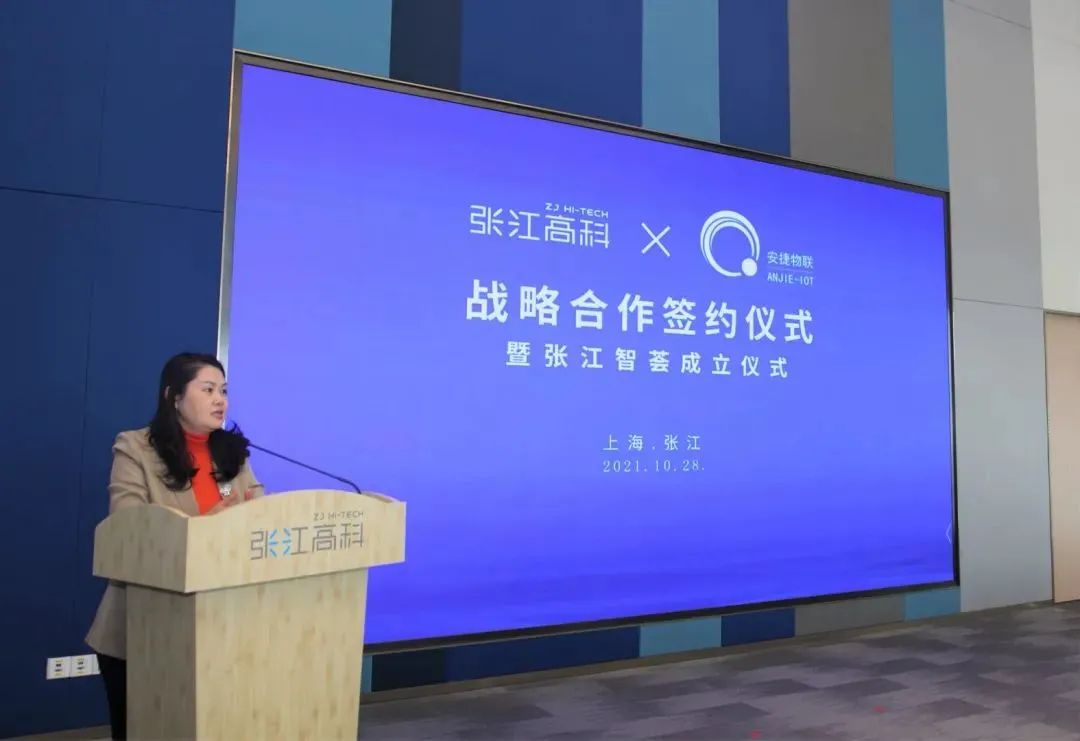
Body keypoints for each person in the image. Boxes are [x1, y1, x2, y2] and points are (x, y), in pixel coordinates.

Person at [85, 353, 264, 740]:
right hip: (144, 628)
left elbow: (260, 514)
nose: (220, 400)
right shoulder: (135, 448)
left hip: (223, 627)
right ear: (174, 397)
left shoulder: (233, 453)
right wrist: (205, 526)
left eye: (224, 391)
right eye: (208, 389)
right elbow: (128, 530)